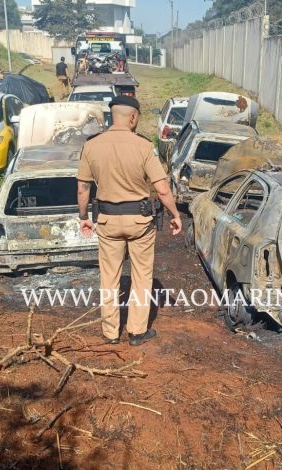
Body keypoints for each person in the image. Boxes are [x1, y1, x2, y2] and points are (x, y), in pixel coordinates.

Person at [77, 95, 182, 346]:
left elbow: (83, 188)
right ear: (133, 117)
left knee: (109, 277)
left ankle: (111, 333)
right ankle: (137, 331)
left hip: (107, 221)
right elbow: (163, 189)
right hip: (140, 222)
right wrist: (175, 215)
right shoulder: (143, 146)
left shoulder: (91, 145)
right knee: (142, 275)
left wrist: (83, 217)